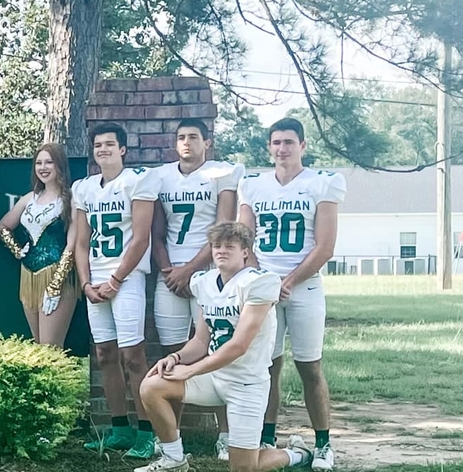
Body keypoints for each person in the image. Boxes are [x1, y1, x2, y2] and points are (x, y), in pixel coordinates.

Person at [134, 222, 315, 472]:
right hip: (215, 378)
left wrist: (190, 370)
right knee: (152, 385)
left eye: (229, 246)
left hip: (246, 383)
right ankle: (174, 460)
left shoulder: (259, 282)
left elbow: (239, 345)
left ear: (245, 252)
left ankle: (297, 454)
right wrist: (176, 358)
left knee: (243, 468)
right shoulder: (205, 282)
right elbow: (200, 341)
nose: (221, 251)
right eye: (216, 246)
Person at [238, 117, 345, 471]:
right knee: (266, 365)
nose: (282, 148)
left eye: (288, 142)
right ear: (269, 147)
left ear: (303, 145)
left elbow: (325, 246)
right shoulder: (253, 185)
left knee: (309, 366)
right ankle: (266, 436)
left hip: (305, 287)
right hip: (265, 288)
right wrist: (265, 280)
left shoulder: (322, 183)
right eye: (276, 142)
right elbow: (244, 239)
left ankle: (324, 443)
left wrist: (291, 280)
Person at [147, 119, 244, 460]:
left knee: (217, 349)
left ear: (207, 142)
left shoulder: (222, 174)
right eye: (181, 137)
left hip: (209, 271)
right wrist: (170, 271)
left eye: (193, 137)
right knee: (174, 354)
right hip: (171, 274)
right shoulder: (161, 176)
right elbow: (156, 234)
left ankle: (225, 434)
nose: (186, 142)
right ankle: (173, 437)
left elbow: (224, 230)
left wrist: (190, 270)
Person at [73, 123, 160, 459]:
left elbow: (141, 238)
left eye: (110, 144)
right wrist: (84, 283)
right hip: (95, 279)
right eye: (98, 145)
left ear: (123, 149)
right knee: (105, 354)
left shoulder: (137, 180)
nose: (103, 150)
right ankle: (119, 428)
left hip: (126, 278)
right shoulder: (84, 188)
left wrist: (117, 279)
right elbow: (81, 242)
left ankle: (147, 432)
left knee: (133, 356)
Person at [0, 143, 80, 348]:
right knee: (38, 347)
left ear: (60, 165)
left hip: (57, 276)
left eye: (49, 162)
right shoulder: (30, 199)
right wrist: (17, 250)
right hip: (28, 277)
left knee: (50, 348)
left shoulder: (71, 199)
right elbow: (3, 226)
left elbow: (73, 244)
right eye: (39, 163)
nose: (43, 167)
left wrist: (56, 284)